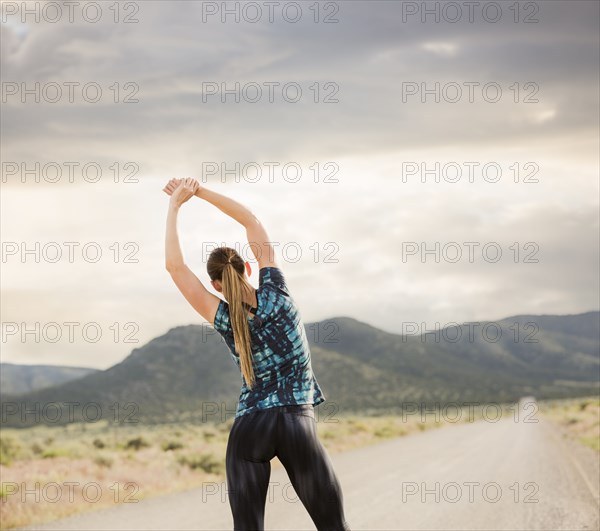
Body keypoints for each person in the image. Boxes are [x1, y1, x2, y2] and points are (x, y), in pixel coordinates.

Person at [163, 177, 351, 531]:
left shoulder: (222, 315)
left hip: (250, 427)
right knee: (333, 527)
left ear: (216, 285)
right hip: (297, 422)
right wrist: (198, 191)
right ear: (247, 268)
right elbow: (251, 221)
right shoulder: (277, 293)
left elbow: (175, 268)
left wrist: (175, 205)